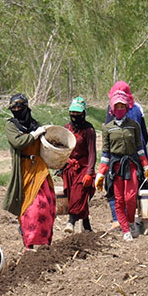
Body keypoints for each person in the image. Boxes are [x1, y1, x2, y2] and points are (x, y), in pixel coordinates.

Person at [95, 91, 148, 241]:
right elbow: (106, 153)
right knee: (119, 199)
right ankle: (125, 229)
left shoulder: (134, 126)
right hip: (115, 167)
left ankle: (130, 221)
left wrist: (146, 166)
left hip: (132, 164)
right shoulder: (108, 128)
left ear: (127, 108)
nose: (120, 109)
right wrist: (101, 174)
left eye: (123, 106)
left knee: (131, 197)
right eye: (117, 106)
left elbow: (140, 147)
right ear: (112, 109)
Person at [2, 94, 56, 250]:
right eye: (14, 108)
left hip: (39, 167)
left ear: (26, 107)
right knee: (31, 208)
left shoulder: (35, 124)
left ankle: (45, 242)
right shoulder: (11, 126)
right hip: (25, 168)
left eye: (20, 107)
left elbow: (45, 145)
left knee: (48, 204)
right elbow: (18, 142)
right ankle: (29, 241)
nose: (17, 110)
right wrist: (34, 135)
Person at [61, 97, 96, 233]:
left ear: (83, 113)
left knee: (79, 193)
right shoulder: (66, 128)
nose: (75, 116)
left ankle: (71, 221)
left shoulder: (89, 130)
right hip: (70, 166)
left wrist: (90, 173)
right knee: (74, 196)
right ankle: (87, 226)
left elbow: (92, 152)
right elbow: (62, 148)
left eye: (78, 113)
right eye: (73, 113)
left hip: (84, 166)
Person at [106, 81, 148, 186]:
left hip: (117, 153)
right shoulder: (138, 108)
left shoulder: (112, 108)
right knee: (139, 180)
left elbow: (109, 133)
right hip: (138, 150)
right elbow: (145, 134)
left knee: (114, 183)